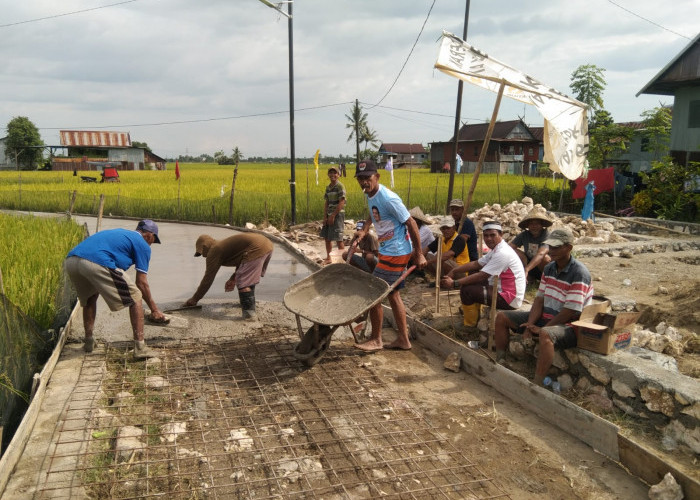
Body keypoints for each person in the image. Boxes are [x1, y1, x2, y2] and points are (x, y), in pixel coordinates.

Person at [494, 229, 594, 386]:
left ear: (568, 248)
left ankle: (537, 383)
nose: (551, 251)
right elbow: (539, 299)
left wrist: (542, 329)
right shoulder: (549, 268)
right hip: (546, 317)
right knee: (501, 317)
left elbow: (570, 311)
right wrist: (529, 325)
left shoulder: (579, 273)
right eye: (550, 247)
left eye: (556, 247)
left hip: (569, 325)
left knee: (546, 335)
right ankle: (499, 359)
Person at [353, 159, 427, 352]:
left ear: (376, 177)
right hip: (388, 250)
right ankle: (404, 339)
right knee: (393, 295)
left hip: (397, 252)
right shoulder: (371, 194)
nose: (363, 182)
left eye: (367, 178)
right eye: (360, 178)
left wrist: (418, 254)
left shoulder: (388, 198)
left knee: (374, 294)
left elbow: (410, 222)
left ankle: (376, 339)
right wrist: (365, 229)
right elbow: (373, 213)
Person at [64, 219, 165, 359]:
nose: (151, 244)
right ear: (149, 235)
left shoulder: (122, 233)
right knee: (135, 296)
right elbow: (141, 283)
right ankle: (140, 347)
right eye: (153, 240)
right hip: (96, 260)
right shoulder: (142, 244)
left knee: (90, 298)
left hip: (72, 261)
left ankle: (88, 342)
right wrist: (154, 309)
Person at [441, 221, 526, 322]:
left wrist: (455, 283)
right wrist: (455, 270)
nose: (488, 239)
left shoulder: (503, 253)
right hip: (502, 290)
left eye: (492, 235)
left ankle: (470, 325)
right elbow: (476, 264)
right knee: (471, 275)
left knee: (466, 291)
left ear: (501, 235)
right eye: (486, 236)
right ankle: (476, 314)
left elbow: (482, 276)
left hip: (509, 298)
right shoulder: (497, 248)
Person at [183, 233, 273, 319]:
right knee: (246, 278)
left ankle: (249, 315)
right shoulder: (221, 245)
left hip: (257, 247)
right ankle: (247, 304)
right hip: (266, 244)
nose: (203, 256)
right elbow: (243, 261)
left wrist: (194, 299)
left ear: (205, 246)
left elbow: (208, 278)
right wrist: (233, 278)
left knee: (243, 282)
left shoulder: (214, 251)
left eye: (201, 252)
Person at [509, 208, 553, 283]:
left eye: (537, 224)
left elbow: (541, 253)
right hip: (528, 263)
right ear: (527, 226)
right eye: (531, 224)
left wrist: (527, 269)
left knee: (545, 258)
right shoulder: (524, 234)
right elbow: (509, 247)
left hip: (544, 266)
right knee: (513, 251)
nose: (534, 226)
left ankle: (546, 279)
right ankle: (529, 276)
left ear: (541, 225)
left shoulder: (546, 235)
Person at [424, 216, 469, 282]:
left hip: (461, 272)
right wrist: (420, 257)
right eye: (443, 229)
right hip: (448, 269)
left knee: (442, 259)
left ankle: (446, 280)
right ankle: (442, 280)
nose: (445, 231)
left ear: (454, 228)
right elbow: (426, 249)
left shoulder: (460, 239)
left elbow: (447, 256)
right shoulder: (441, 239)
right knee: (425, 256)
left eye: (448, 228)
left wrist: (427, 263)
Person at [320, 166, 346, 265]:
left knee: (338, 239)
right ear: (328, 175)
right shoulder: (328, 187)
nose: (332, 175)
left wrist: (333, 215)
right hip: (329, 214)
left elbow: (342, 202)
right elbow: (327, 202)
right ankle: (329, 258)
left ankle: (344, 260)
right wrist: (325, 217)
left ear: (338, 175)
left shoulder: (340, 186)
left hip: (338, 215)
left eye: (335, 173)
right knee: (327, 238)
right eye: (330, 173)